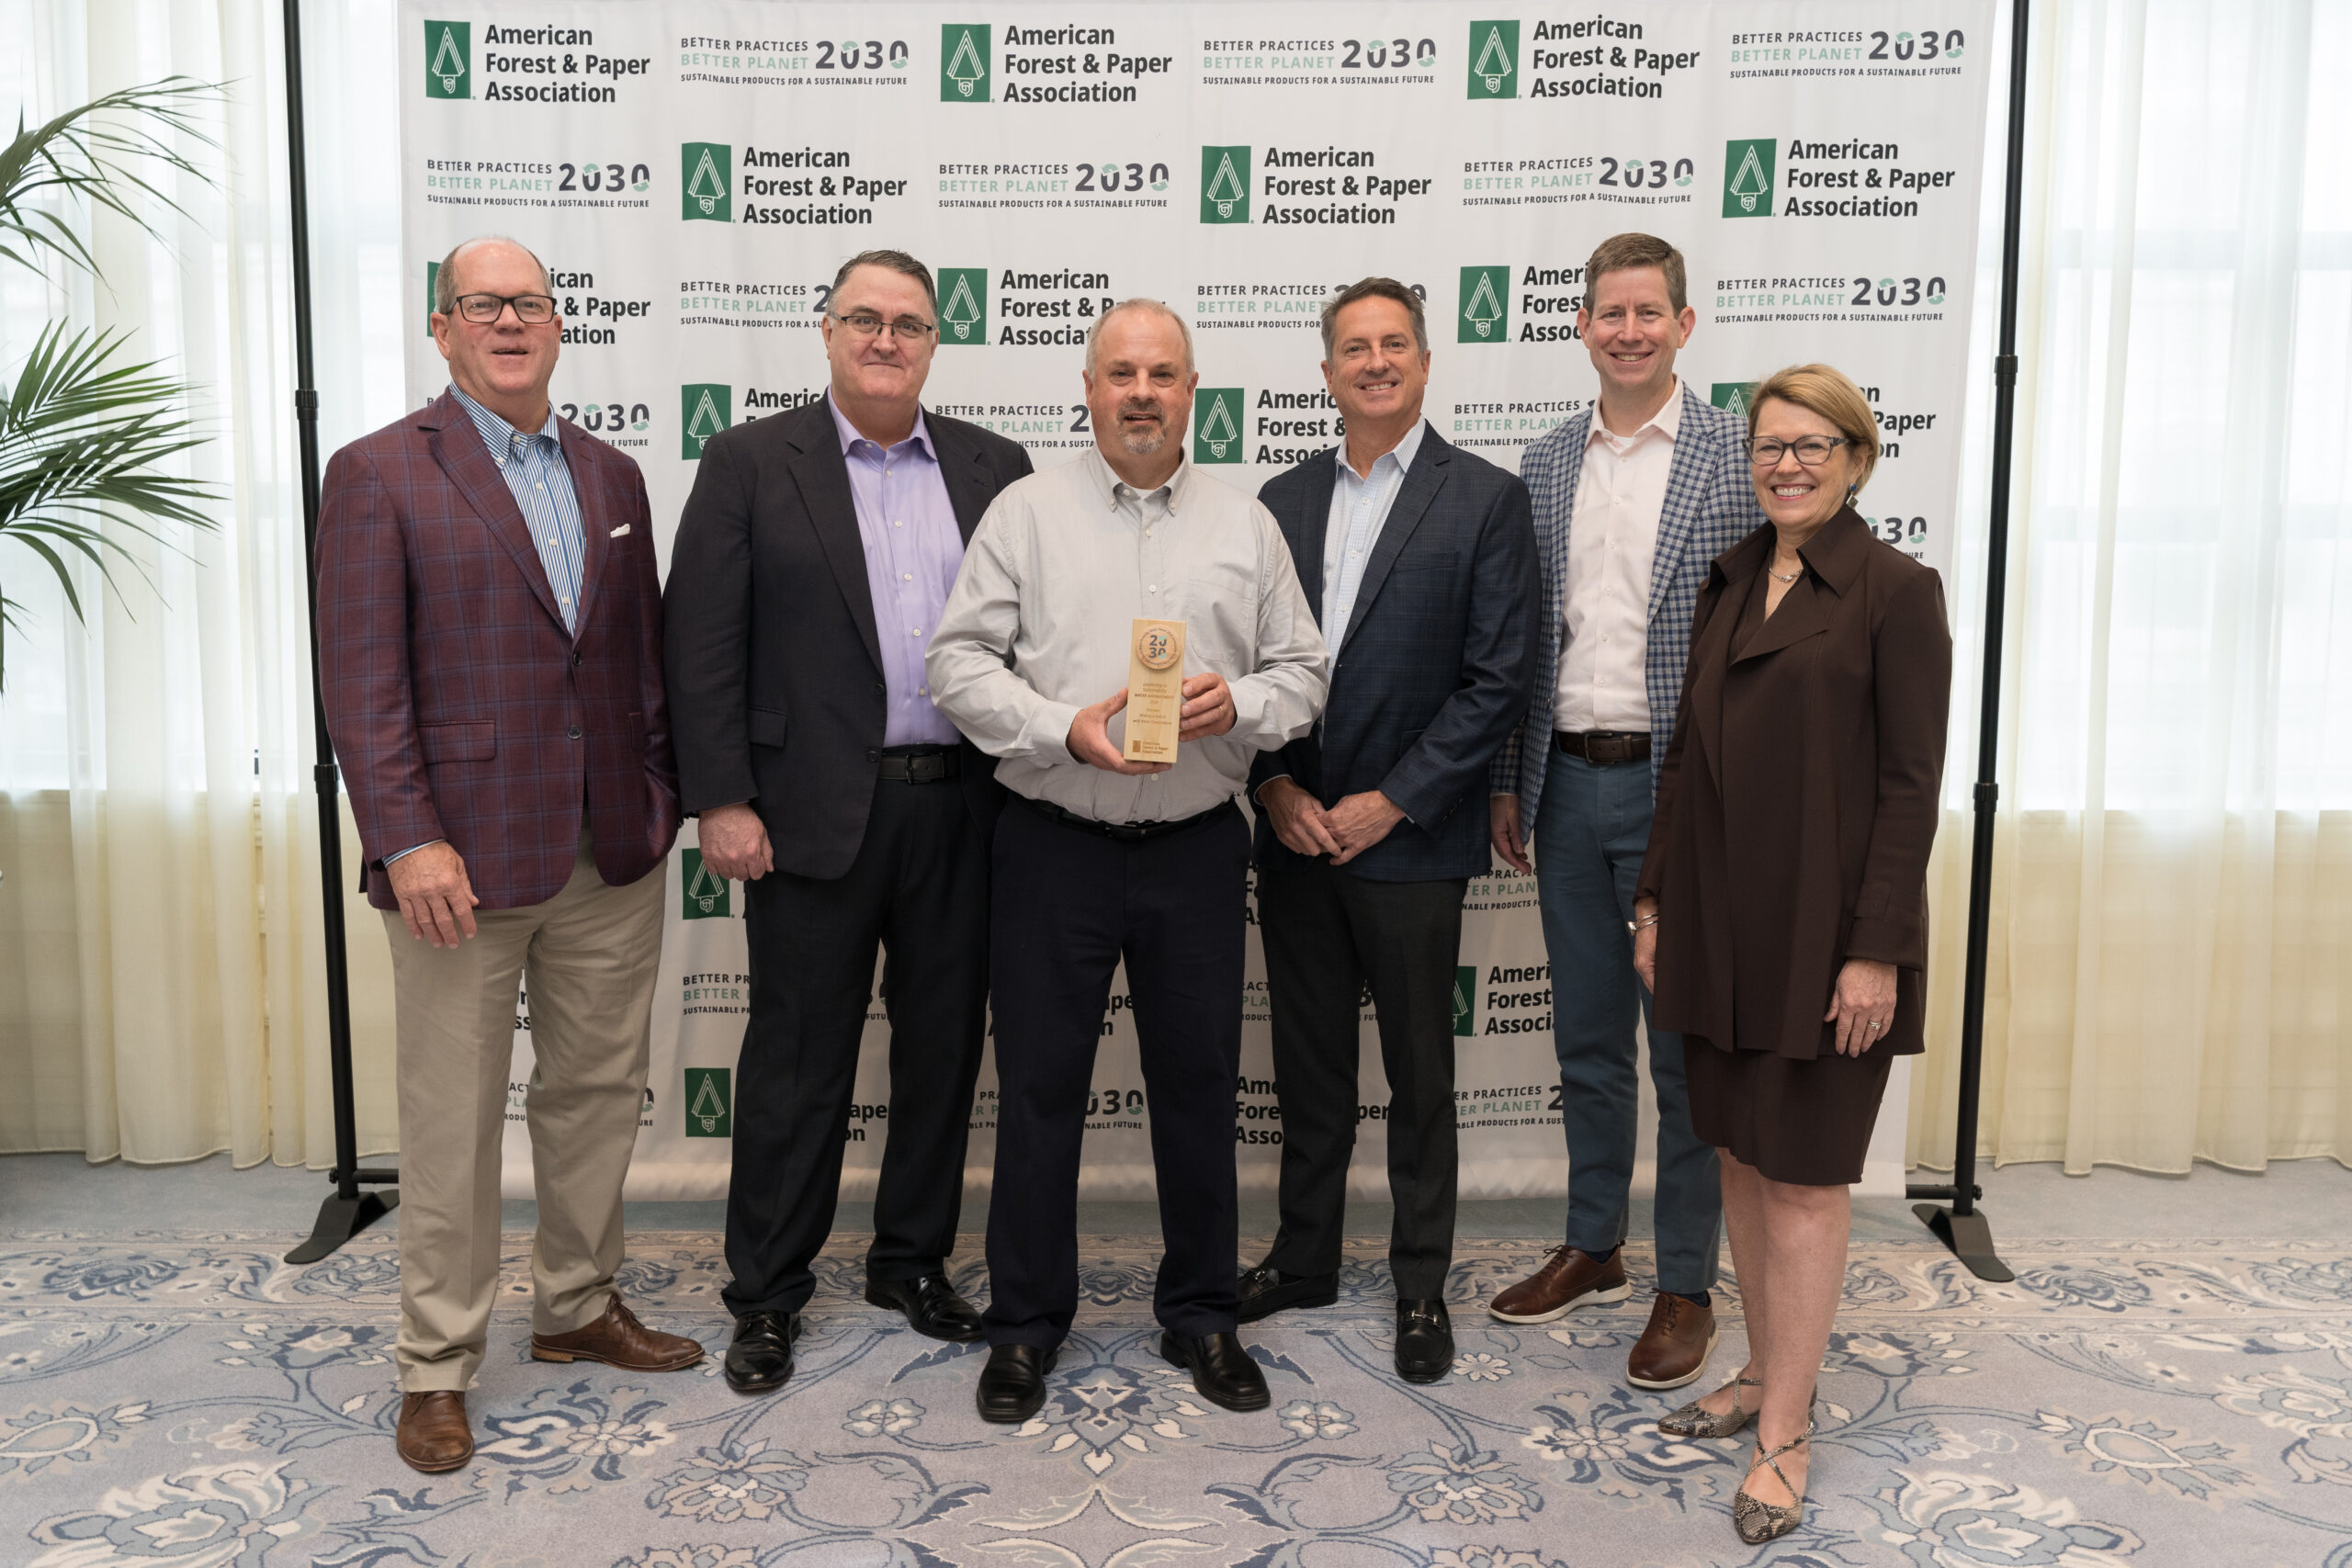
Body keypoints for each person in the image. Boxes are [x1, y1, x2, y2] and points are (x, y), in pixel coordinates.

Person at [316, 235, 701, 1474]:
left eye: (530, 302)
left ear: (556, 322)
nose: (510, 321)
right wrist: (407, 834)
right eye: (483, 304)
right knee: (452, 1120)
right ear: (442, 328)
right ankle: (436, 1363)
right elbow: (362, 684)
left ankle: (578, 1303)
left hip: (608, 850)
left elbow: (637, 659)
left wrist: (655, 792)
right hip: (457, 867)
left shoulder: (613, 473)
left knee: (594, 1096)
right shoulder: (379, 471)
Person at [927, 299, 1329, 1424]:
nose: (1141, 391)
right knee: (1040, 1093)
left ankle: (1200, 1315)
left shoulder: (1243, 526)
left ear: (1192, 389)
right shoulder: (1025, 512)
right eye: (1120, 373)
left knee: (1198, 1090)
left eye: (1162, 373)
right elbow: (956, 665)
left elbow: (1304, 675)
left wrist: (1235, 701)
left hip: (1198, 849)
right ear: (1089, 388)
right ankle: (1022, 1327)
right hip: (1051, 846)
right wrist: (1063, 727)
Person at [664, 250, 1035, 1393]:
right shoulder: (746, 462)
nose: (885, 339)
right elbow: (700, 645)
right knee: (796, 1062)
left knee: (940, 1053)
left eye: (908, 324)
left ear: (935, 342)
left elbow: (1034, 635)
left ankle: (909, 1261)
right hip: (810, 814)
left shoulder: (994, 465)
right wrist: (720, 798)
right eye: (863, 320)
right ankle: (767, 1294)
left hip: (964, 810)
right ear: (825, 331)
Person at [1634, 363, 1950, 1542]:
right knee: (1741, 1159)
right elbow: (1684, 764)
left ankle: (1788, 1433)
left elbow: (1912, 790)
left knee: (1808, 1179)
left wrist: (1875, 953)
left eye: (1816, 445)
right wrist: (1656, 901)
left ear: (1858, 459)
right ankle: (1764, 1374)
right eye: (1771, 445)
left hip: (1828, 939)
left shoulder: (1894, 591)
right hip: (1716, 924)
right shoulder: (1729, 583)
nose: (1790, 463)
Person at [1238, 278, 1537, 1382]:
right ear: (1325, 373)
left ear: (1423, 363)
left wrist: (1395, 797)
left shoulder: (1485, 500)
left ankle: (1420, 1286)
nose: (1374, 362)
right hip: (1299, 832)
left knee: (1420, 1080)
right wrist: (1272, 785)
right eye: (1353, 348)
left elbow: (1496, 679)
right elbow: (1251, 663)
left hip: (1409, 841)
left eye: (1393, 344)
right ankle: (1304, 1256)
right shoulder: (1277, 497)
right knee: (1308, 1069)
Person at [1486, 233, 1763, 1390]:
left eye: (1650, 312)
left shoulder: (1735, 457)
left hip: (1678, 790)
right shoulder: (1545, 465)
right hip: (1565, 783)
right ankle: (1595, 1244)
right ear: (1585, 327)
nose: (1630, 331)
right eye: (1610, 313)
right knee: (1587, 1040)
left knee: (1682, 1054)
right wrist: (1509, 776)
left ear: (1683, 325)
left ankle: (1685, 1284)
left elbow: (1756, 645)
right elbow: (1519, 638)